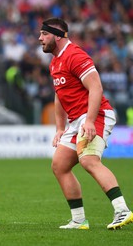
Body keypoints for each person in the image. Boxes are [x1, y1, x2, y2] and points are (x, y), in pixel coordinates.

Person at [39, 17, 133, 230]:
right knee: (59, 166)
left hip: (96, 114)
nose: (40, 38)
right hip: (75, 121)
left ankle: (122, 210)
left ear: (58, 35)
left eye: (44, 34)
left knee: (89, 160)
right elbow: (59, 96)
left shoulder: (75, 55)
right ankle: (79, 220)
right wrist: (60, 128)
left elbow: (96, 87)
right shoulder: (55, 62)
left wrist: (89, 120)